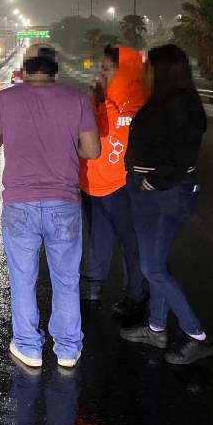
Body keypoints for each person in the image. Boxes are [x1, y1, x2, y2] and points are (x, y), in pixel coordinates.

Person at [0, 44, 100, 368]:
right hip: (64, 203)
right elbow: (92, 151)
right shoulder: (76, 99)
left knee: (23, 278)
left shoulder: (5, 99)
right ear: (55, 72)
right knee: (66, 279)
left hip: (20, 205)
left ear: (24, 71)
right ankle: (67, 349)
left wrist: (16, 133)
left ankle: (29, 347)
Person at [119, 44, 213, 365]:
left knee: (153, 268)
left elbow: (183, 156)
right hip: (151, 193)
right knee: (156, 265)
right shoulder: (165, 101)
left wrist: (153, 182)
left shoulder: (181, 106)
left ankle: (195, 335)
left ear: (163, 70)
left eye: (149, 67)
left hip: (162, 197)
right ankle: (156, 329)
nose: (144, 72)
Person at [79, 45, 149, 317]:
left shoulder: (139, 104)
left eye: (107, 69)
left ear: (125, 71)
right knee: (99, 236)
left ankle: (136, 293)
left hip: (122, 185)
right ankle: (93, 285)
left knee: (130, 241)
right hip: (93, 183)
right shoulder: (102, 100)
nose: (101, 73)